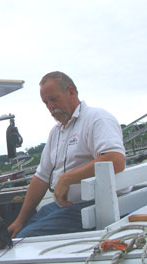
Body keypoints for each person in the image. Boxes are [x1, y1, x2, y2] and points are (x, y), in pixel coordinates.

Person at [8, 71, 125, 238]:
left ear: (71, 92)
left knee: (24, 239)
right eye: (45, 102)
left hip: (91, 205)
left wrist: (67, 178)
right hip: (64, 206)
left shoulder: (96, 119)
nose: (50, 106)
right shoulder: (56, 132)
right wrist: (19, 219)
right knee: (15, 232)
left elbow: (116, 159)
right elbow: (41, 178)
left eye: (54, 99)